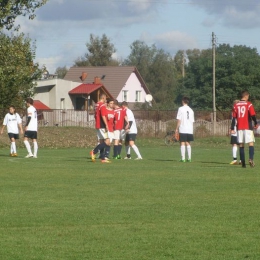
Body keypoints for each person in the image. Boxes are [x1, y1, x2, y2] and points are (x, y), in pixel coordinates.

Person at [231, 90, 258, 168]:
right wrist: (256, 123)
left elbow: (234, 118)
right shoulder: (249, 104)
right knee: (251, 143)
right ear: (246, 96)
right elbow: (253, 115)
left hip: (239, 128)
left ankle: (243, 163)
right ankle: (250, 159)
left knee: (241, 145)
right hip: (248, 127)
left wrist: (232, 128)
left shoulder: (236, 105)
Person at [90, 94, 111, 163]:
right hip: (102, 125)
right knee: (107, 141)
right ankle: (94, 151)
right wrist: (106, 125)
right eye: (105, 98)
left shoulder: (96, 105)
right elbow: (103, 116)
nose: (106, 100)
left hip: (98, 125)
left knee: (101, 141)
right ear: (103, 98)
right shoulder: (102, 105)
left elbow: (95, 115)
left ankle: (102, 158)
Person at [175, 97, 195, 162]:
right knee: (188, 143)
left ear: (183, 101)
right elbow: (192, 121)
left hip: (183, 128)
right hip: (190, 129)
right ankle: (189, 158)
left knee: (182, 142)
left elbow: (179, 119)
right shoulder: (191, 110)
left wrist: (176, 128)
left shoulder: (180, 109)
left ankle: (183, 158)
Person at [230, 100, 241, 165]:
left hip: (235, 129)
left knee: (235, 144)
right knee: (240, 144)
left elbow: (234, 121)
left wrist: (232, 128)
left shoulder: (234, 112)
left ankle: (235, 160)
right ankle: (240, 160)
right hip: (240, 129)